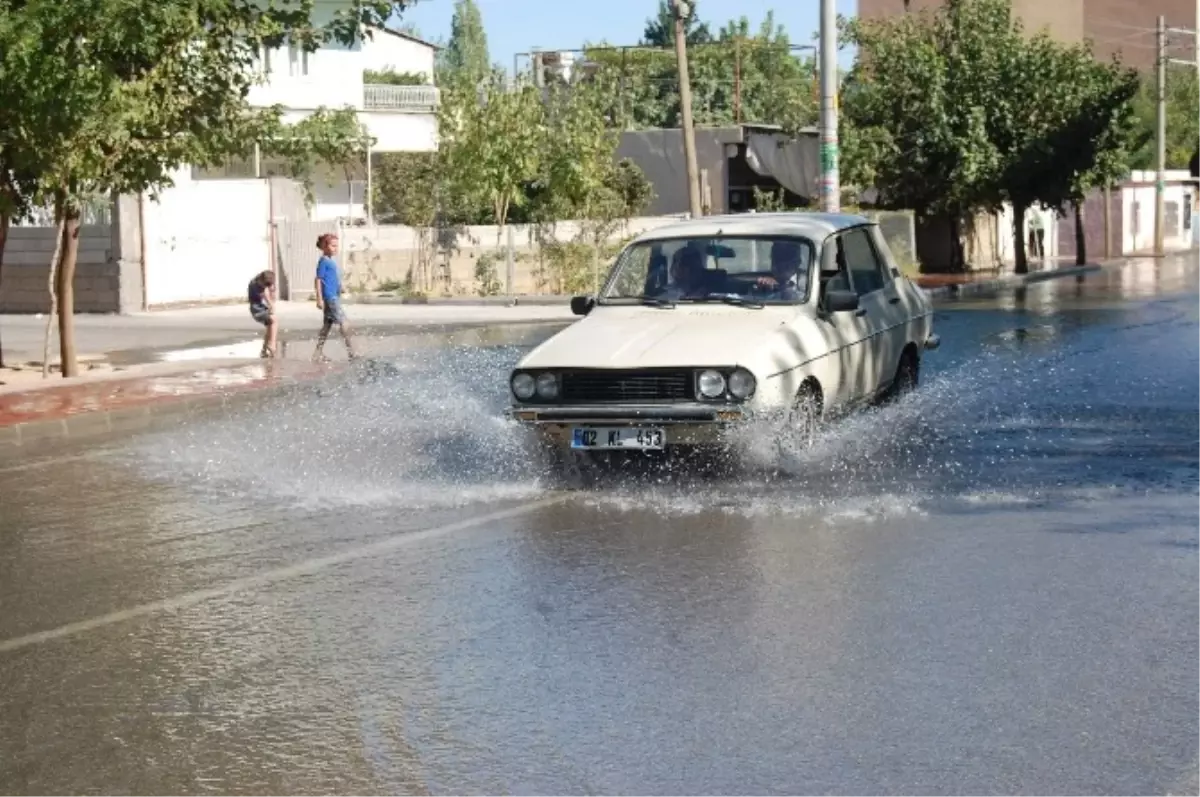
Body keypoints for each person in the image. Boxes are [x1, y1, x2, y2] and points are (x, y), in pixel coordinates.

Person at [313, 233, 357, 361]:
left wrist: (340, 287)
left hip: (333, 296)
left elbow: (331, 278)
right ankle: (351, 352)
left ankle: (317, 352)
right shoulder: (323, 261)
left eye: (337, 246)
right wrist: (319, 298)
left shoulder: (330, 261)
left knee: (327, 325)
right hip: (330, 297)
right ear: (324, 246)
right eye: (333, 246)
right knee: (344, 322)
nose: (336, 248)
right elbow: (318, 279)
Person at [248, 270, 278, 358]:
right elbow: (265, 295)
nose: (266, 286)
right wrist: (271, 305)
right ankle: (272, 345)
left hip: (260, 307)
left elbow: (269, 290)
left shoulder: (260, 280)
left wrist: (272, 289)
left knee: (270, 327)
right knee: (274, 320)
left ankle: (264, 350)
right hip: (256, 309)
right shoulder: (255, 285)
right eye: (266, 285)